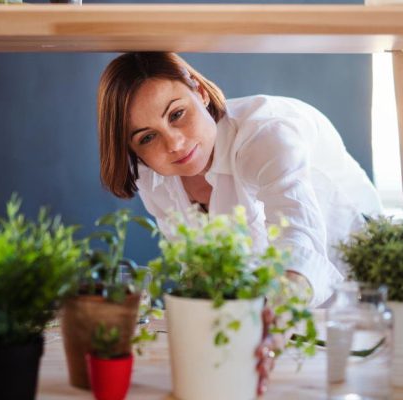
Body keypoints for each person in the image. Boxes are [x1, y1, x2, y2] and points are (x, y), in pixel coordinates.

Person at [97, 52, 383, 393]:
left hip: (356, 306)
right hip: (267, 325)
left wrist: (273, 319)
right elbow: (200, 268)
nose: (173, 143)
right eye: (146, 137)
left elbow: (300, 240)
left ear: (200, 92)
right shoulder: (152, 177)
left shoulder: (266, 133)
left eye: (177, 114)